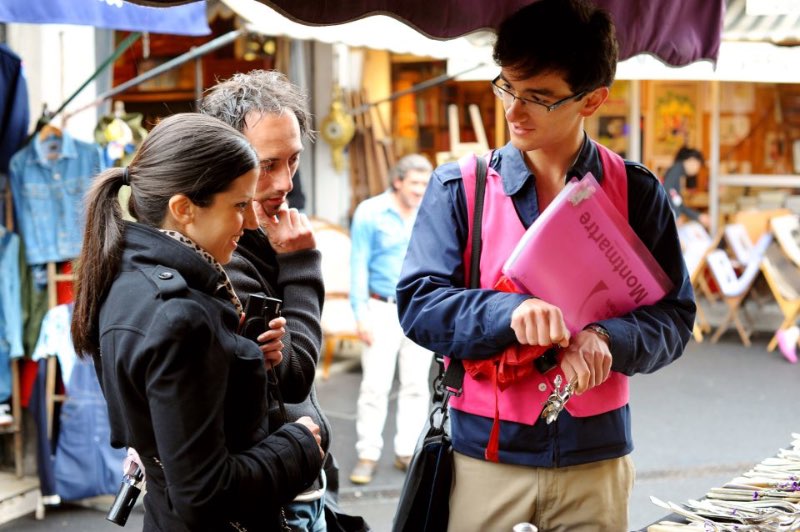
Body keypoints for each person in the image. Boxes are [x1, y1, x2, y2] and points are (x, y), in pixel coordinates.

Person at [396, 1, 696, 530]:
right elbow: (418, 304)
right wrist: (508, 313)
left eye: (538, 97)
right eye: (507, 87)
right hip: (486, 457)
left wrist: (609, 338)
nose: (514, 111)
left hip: (595, 458)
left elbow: (674, 317)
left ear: (593, 100)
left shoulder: (637, 191)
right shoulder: (459, 188)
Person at [70, 113, 323, 531]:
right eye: (239, 206)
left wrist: (240, 354)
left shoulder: (127, 277)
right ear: (184, 209)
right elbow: (204, 493)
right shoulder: (178, 314)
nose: (249, 223)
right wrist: (297, 447)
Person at [200, 70, 334, 531]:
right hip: (270, 498)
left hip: (299, 482)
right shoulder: (224, 255)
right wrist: (301, 262)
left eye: (293, 162)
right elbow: (294, 378)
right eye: (267, 164)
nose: (285, 183)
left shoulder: (263, 236)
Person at [348, 154, 434, 485]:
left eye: (425, 184)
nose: (420, 190)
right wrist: (360, 314)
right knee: (375, 385)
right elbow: (358, 263)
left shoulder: (430, 212)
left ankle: (406, 452)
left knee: (416, 385)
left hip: (420, 308)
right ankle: (368, 454)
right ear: (398, 181)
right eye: (415, 182)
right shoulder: (370, 211)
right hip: (381, 307)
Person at [663, 146, 710, 227]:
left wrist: (698, 216)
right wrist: (676, 215)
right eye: (698, 165)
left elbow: (678, 203)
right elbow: (667, 189)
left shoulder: (678, 171)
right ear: (691, 160)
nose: (697, 170)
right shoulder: (677, 169)